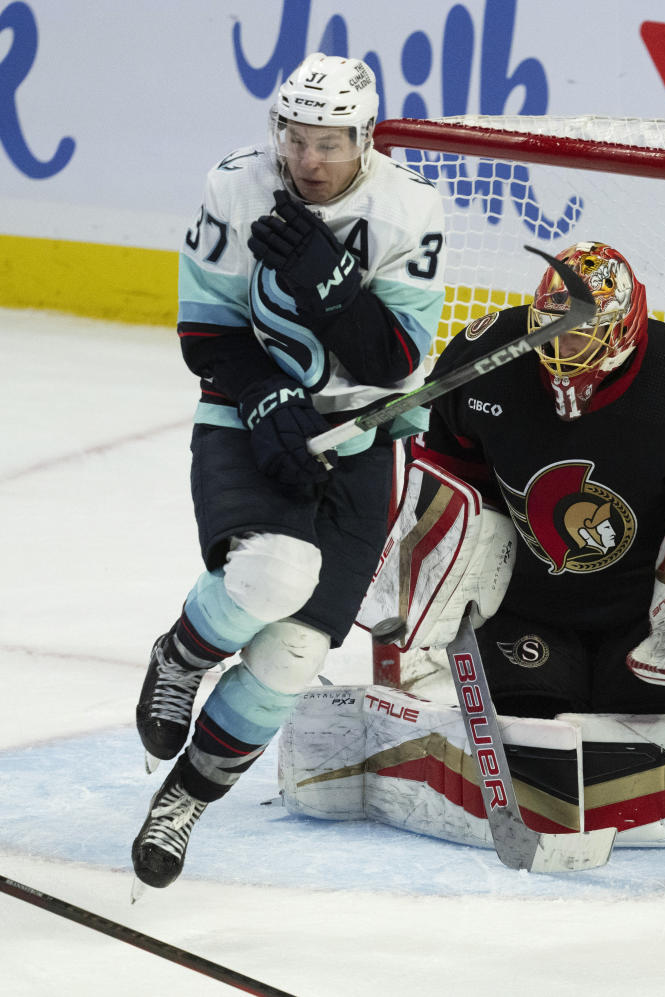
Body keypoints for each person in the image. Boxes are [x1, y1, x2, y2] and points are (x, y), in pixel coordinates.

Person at [131, 52, 446, 890]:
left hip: (360, 437)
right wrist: (268, 397)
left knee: (291, 658)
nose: (308, 160)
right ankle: (181, 656)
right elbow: (206, 330)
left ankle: (186, 800)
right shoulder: (236, 186)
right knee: (272, 574)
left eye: (330, 143)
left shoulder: (410, 211)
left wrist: (330, 283)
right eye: (296, 139)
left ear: (365, 138)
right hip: (245, 417)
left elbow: (398, 360)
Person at [398, 241, 665, 719]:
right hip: (524, 605)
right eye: (551, 326)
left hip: (645, 616)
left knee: (649, 748)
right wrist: (440, 555)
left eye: (582, 330)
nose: (562, 343)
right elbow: (444, 470)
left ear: (622, 331)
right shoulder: (484, 362)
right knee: (532, 744)